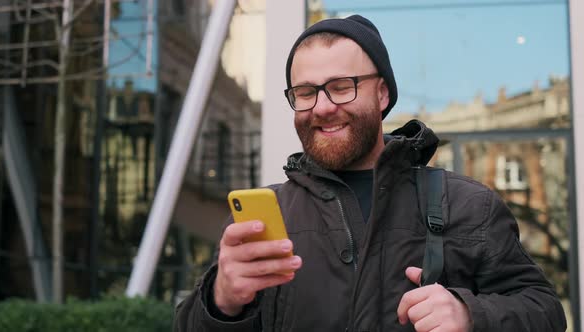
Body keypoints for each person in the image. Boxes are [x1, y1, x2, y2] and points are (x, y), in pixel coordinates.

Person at [174, 15, 566, 331]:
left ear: (382, 95)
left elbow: (545, 311)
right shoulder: (266, 219)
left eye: (342, 86)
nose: (322, 107)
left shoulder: (469, 204)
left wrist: (469, 315)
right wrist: (221, 301)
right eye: (306, 92)